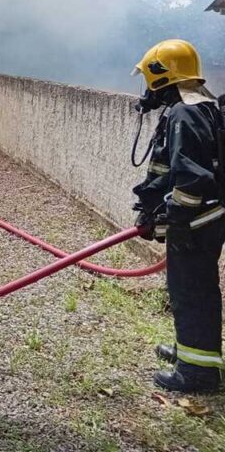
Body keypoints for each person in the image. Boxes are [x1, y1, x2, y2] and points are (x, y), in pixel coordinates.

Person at [132, 39, 225, 394]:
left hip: (197, 222)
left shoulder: (184, 113)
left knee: (192, 291)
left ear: (161, 75)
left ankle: (198, 373)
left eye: (148, 78)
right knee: (191, 288)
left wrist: (177, 218)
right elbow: (165, 169)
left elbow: (192, 178)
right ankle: (194, 353)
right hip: (206, 217)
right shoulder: (199, 106)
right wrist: (149, 207)